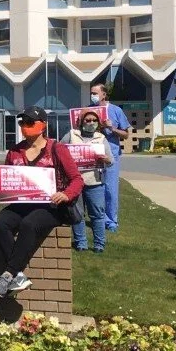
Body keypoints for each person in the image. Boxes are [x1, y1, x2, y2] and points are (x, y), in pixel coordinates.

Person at [0, 106, 84, 297]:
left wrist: (66, 194)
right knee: (1, 222)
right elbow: (8, 180)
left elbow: (77, 179)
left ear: (43, 125)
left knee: (29, 224)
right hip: (22, 204)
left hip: (51, 206)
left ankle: (9, 273)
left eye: (30, 122)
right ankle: (19, 276)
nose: (25, 126)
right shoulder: (14, 152)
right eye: (22, 123)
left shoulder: (57, 149)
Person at [62, 108, 113, 253]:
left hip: (95, 182)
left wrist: (106, 159)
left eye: (94, 120)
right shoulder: (72, 134)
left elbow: (111, 161)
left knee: (97, 214)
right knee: (77, 213)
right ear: (81, 121)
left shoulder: (101, 138)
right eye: (88, 120)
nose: (91, 123)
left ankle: (99, 244)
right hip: (74, 182)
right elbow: (59, 150)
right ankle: (81, 243)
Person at [89, 83, 130, 233]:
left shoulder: (116, 110)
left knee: (110, 190)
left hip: (111, 155)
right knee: (95, 189)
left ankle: (111, 220)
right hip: (93, 155)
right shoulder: (89, 110)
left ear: (104, 95)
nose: (92, 96)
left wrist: (111, 128)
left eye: (95, 93)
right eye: (91, 93)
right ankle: (98, 218)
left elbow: (126, 134)